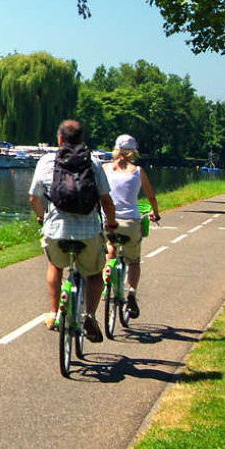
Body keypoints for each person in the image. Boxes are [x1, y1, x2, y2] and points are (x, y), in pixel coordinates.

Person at [30, 119, 119, 343]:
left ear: (59, 139)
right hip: (88, 231)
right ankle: (89, 315)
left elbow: (34, 196)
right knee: (95, 274)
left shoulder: (46, 160)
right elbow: (106, 200)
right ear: (81, 140)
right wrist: (111, 223)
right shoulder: (94, 163)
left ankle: (55, 313)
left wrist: (41, 217)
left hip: (56, 229)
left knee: (55, 266)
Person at [100, 135, 161, 318]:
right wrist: (155, 213)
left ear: (116, 150)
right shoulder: (138, 171)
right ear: (133, 152)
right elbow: (151, 197)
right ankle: (131, 293)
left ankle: (107, 277)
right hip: (131, 222)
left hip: (108, 220)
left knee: (110, 246)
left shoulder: (104, 169)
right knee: (133, 260)